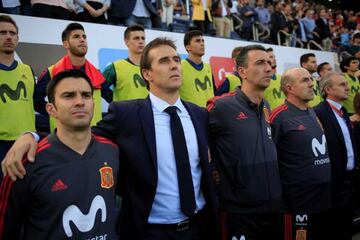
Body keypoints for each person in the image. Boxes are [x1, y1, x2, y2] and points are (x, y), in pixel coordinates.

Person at [2, 38, 219, 240]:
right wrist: (31, 136)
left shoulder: (199, 114)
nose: (174, 65)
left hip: (200, 226)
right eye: (164, 61)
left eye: (176, 60)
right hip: (149, 232)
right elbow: (78, 136)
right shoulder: (127, 114)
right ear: (147, 74)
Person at [0, 69, 119, 239]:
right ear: (51, 109)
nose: (79, 101)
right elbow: (6, 228)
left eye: (86, 95)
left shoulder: (112, 152)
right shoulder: (25, 162)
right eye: (69, 96)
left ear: (93, 103)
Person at [207, 45, 282, 240]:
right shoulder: (221, 106)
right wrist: (212, 169)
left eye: (269, 62)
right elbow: (199, 143)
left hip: (273, 206)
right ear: (242, 71)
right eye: (260, 63)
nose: (268, 68)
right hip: (239, 212)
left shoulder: (266, 105)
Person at [270, 67, 331, 240]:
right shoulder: (278, 117)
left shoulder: (312, 111)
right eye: (305, 80)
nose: (312, 83)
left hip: (323, 198)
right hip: (297, 202)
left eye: (311, 79)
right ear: (289, 88)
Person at [35, 23, 105, 132]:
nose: (82, 40)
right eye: (76, 37)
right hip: (62, 139)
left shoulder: (97, 74)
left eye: (84, 37)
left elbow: (112, 98)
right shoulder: (51, 72)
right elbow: (36, 102)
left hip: (93, 137)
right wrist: (58, 113)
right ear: (66, 44)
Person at [314, 72, 359, 240]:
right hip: (333, 182)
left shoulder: (343, 111)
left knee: (347, 226)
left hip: (350, 178)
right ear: (328, 89)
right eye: (342, 84)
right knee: (335, 228)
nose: (347, 87)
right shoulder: (319, 112)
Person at [0, 15, 36, 179]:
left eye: (12, 33)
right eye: (2, 33)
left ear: (18, 38)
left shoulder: (27, 70)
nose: (8, 36)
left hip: (26, 142)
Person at [102, 24, 148, 103]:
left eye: (143, 38)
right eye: (136, 38)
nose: (141, 41)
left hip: (149, 114)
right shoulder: (114, 67)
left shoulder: (152, 68)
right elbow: (101, 86)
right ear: (127, 42)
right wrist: (115, 102)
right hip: (124, 114)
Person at [180, 30, 214, 107]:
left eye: (203, 41)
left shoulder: (208, 67)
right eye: (198, 41)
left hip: (210, 114)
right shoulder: (179, 67)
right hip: (191, 115)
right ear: (188, 47)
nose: (202, 44)